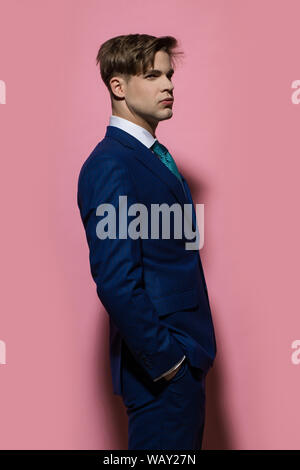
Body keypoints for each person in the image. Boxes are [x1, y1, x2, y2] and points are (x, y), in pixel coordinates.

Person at [77, 33, 217, 450]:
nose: (169, 85)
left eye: (169, 75)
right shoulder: (110, 165)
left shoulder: (151, 155)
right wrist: (170, 362)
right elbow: (116, 280)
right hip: (161, 371)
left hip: (185, 363)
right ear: (118, 87)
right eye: (153, 75)